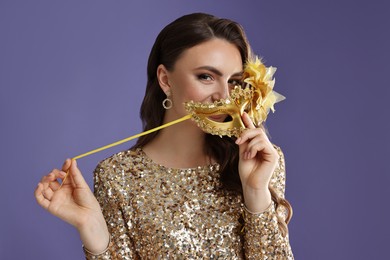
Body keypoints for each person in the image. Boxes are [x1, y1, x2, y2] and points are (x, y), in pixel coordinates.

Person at [35, 13, 294, 259]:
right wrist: (91, 227)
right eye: (206, 77)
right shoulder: (117, 176)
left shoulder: (261, 161)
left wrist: (255, 191)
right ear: (165, 80)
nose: (224, 96)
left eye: (234, 81)